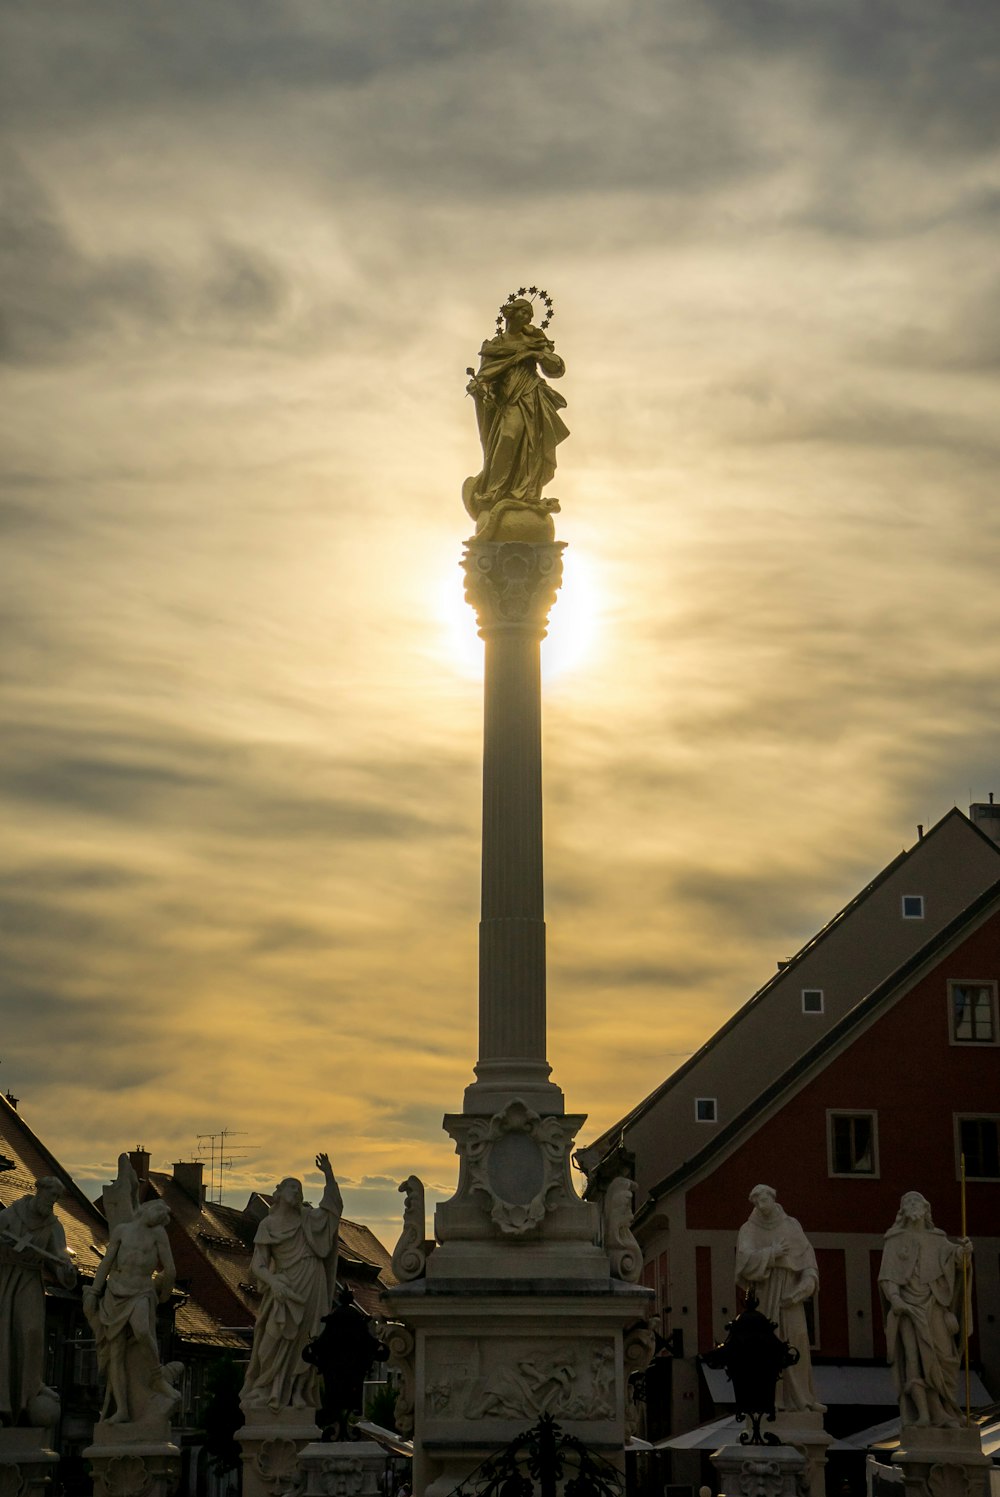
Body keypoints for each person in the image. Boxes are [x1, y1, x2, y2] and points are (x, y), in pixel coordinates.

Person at [240, 1151, 342, 1414]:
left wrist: (329, 1174)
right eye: (292, 1186)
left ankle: (298, 1392)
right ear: (279, 1193)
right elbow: (257, 1265)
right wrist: (273, 1282)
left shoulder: (308, 1218)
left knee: (308, 1340)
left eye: (299, 1188)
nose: (297, 1191)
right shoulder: (268, 1224)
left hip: (312, 1281)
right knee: (272, 1341)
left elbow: (333, 1210)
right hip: (285, 1285)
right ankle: (268, 1388)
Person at [463, 298, 569, 536]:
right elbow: (486, 375)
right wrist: (482, 389)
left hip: (531, 395)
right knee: (508, 439)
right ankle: (495, 490)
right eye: (523, 313)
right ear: (510, 314)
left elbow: (557, 369)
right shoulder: (496, 345)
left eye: (530, 314)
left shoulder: (535, 339)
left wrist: (542, 355)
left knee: (533, 447)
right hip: (507, 400)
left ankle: (527, 492)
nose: (528, 318)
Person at [878, 1190, 972, 1428]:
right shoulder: (894, 1239)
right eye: (908, 1201)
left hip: (935, 1306)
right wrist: (895, 1298)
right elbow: (887, 1277)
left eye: (916, 1201)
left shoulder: (939, 1239)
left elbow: (956, 1263)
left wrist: (964, 1253)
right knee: (914, 1360)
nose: (912, 1204)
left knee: (945, 1358)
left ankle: (947, 1408)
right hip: (908, 1309)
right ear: (903, 1211)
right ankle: (924, 1415)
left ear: (926, 1209)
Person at [84, 1198, 176, 1424]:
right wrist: (95, 1291)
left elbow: (170, 1268)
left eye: (163, 1217)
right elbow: (106, 1262)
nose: (161, 1218)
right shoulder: (122, 1230)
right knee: (116, 1352)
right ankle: (122, 1409)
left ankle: (156, 1376)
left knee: (143, 1331)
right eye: (159, 1212)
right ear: (146, 1209)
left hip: (142, 1291)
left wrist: (165, 1294)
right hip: (115, 1291)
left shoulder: (158, 1234)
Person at [735, 1184, 825, 1414]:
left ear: (772, 1198)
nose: (759, 1206)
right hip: (765, 1295)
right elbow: (744, 1263)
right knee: (767, 1343)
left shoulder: (791, 1226)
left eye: (762, 1201)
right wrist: (771, 1254)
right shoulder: (749, 1229)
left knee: (797, 1341)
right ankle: (772, 1399)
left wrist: (803, 1288)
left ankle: (802, 1398)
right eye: (755, 1203)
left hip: (790, 1296)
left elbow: (808, 1264)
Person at [0, 1177, 76, 1424]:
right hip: (5, 1278)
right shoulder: (10, 1216)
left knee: (31, 1333)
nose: (52, 1202)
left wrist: (66, 1270)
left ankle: (26, 1398)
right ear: (39, 1191)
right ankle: (3, 1402)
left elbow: (61, 1264)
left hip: (30, 1281)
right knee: (4, 1336)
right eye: (50, 1196)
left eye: (56, 1199)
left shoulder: (53, 1226)